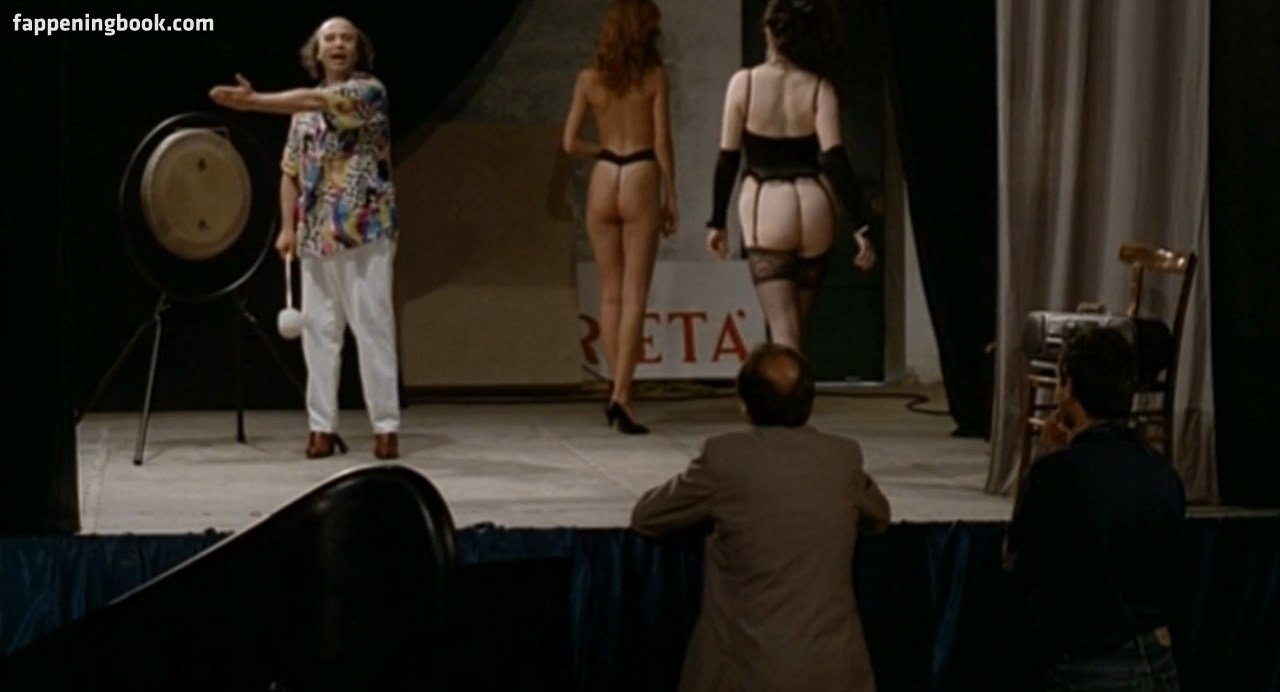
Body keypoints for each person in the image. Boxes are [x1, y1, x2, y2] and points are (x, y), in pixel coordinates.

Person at [632, 342, 891, 691]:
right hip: (834, 672)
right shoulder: (843, 456)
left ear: (745, 404)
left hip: (746, 671)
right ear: (810, 401)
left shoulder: (725, 457)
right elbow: (879, 517)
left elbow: (648, 516)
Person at [210, 16, 401, 460]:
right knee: (319, 333)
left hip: (364, 228)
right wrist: (287, 227)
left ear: (357, 50)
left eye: (347, 38)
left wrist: (253, 102)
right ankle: (321, 428)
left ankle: (385, 427)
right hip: (316, 234)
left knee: (372, 327)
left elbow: (318, 100)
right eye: (329, 38)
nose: (338, 44)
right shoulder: (299, 114)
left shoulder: (369, 91)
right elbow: (290, 172)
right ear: (317, 52)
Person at [1005, 326, 1186, 691]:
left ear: (1069, 389)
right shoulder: (1162, 472)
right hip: (1158, 659)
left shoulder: (1055, 475)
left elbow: (1018, 562)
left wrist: (1046, 462)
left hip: (1090, 664)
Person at [706, 0, 875, 351]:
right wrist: (862, 225)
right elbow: (835, 159)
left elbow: (727, 159)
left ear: (769, 32)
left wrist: (717, 221)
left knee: (784, 332)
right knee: (797, 329)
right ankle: (798, 384)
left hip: (766, 204)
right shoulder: (820, 87)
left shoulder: (744, 84)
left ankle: (790, 387)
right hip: (815, 204)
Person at [562, 0, 678, 435]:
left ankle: (617, 387)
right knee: (634, 295)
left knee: (610, 295)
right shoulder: (655, 77)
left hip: (605, 174)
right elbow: (662, 141)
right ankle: (623, 396)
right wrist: (672, 195)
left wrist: (603, 150)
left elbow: (570, 142)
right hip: (641, 173)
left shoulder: (589, 80)